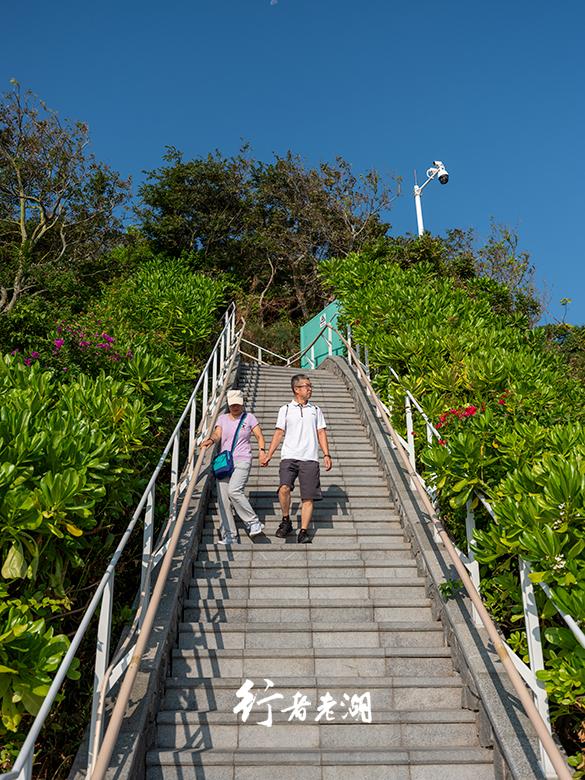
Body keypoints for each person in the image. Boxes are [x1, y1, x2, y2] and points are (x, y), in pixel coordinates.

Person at [262, 373, 332, 543]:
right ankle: (286, 520)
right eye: (306, 386)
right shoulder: (285, 409)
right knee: (284, 488)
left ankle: (303, 531)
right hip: (289, 456)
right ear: (296, 389)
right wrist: (268, 455)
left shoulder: (316, 410)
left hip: (310, 458)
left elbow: (321, 432)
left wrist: (326, 454)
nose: (310, 389)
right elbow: (279, 433)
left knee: (308, 497)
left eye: (310, 386)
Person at [201, 389, 267, 544]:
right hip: (225, 462)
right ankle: (229, 535)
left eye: (237, 404)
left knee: (234, 490)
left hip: (243, 459)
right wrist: (210, 440)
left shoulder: (249, 418)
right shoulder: (222, 418)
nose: (235, 407)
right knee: (223, 499)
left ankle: (253, 522)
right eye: (232, 405)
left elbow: (259, 436)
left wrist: (262, 452)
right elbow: (218, 434)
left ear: (242, 403)